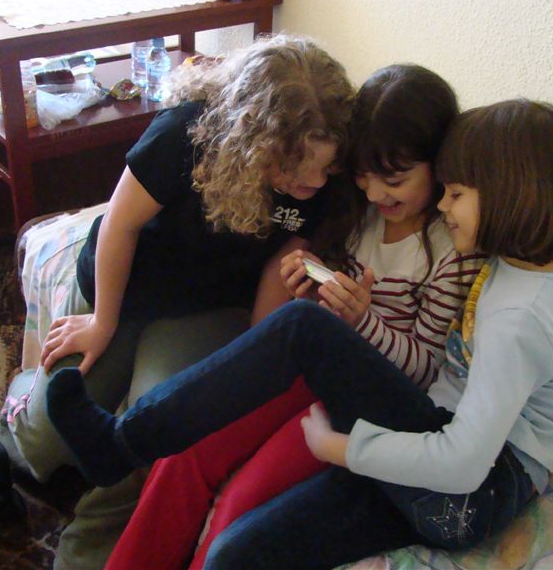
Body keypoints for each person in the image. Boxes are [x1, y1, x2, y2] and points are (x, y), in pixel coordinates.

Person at [46, 99, 553, 568]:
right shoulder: (533, 263)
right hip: (444, 460)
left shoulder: (520, 313)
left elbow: (462, 461)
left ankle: (120, 444)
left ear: (510, 195)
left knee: (303, 330)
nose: (444, 206)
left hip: (472, 490)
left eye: (456, 194)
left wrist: (344, 448)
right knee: (237, 553)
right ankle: (122, 449)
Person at [104, 64, 486, 570]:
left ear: (437, 166)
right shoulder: (357, 212)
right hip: (308, 367)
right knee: (182, 455)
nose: (376, 194)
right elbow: (304, 294)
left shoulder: (451, 249)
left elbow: (422, 372)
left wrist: (361, 321)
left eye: (394, 180)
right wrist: (308, 279)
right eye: (363, 177)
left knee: (239, 503)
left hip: (363, 399)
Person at [0, 33, 355, 484]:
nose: (315, 182)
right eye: (295, 170)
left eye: (326, 168)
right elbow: (120, 224)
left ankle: (96, 522)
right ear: (252, 142)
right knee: (45, 443)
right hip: (124, 287)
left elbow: (277, 264)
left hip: (204, 307)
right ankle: (24, 394)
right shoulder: (183, 133)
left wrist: (252, 356)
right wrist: (103, 322)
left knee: (156, 430)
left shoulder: (319, 181)